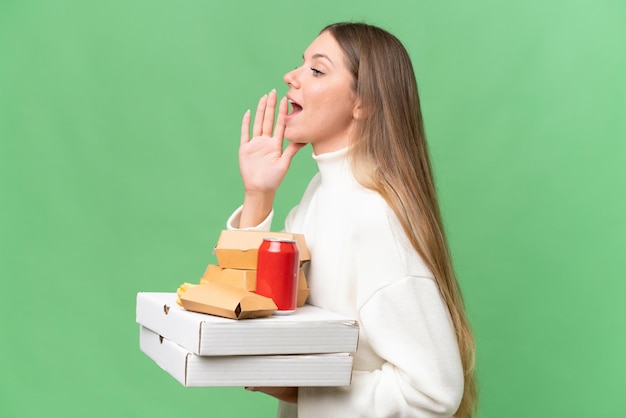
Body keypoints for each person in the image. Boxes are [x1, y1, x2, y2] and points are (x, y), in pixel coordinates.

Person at [228, 22, 477, 418]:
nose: (291, 77)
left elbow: (434, 392)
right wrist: (258, 194)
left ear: (363, 104)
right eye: (301, 64)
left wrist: (304, 389)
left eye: (317, 70)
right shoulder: (320, 194)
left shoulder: (375, 217)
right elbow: (264, 302)